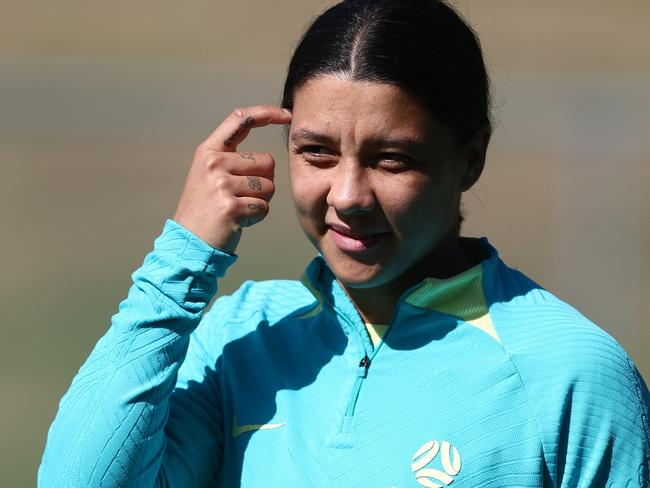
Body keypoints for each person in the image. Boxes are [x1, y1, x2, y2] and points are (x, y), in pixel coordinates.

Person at [39, 0, 649, 486]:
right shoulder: (240, 338)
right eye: (317, 153)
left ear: (471, 157)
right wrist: (183, 255)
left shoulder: (568, 374)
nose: (348, 194)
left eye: (392, 159)